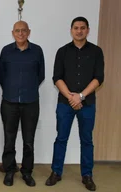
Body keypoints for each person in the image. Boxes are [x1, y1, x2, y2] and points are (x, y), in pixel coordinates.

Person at [45, 16, 104, 191]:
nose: (79, 31)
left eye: (83, 28)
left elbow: (99, 78)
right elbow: (57, 77)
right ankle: (56, 172)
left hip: (88, 103)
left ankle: (87, 175)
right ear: (71, 30)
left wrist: (81, 96)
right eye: (76, 28)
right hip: (65, 103)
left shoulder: (96, 51)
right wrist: (71, 97)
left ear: (88, 30)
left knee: (87, 140)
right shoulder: (62, 52)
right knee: (61, 138)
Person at [0, 20, 45, 187]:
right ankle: (9, 170)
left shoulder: (37, 51)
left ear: (29, 32)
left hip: (31, 102)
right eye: (17, 30)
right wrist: (12, 90)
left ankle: (27, 172)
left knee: (28, 140)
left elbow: (41, 75)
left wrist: (26, 89)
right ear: (13, 33)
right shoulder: (6, 51)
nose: (20, 33)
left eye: (23, 30)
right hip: (9, 102)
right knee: (9, 139)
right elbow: (1, 76)